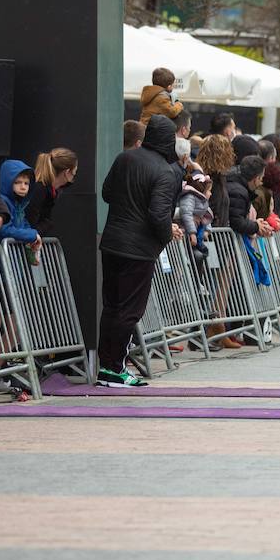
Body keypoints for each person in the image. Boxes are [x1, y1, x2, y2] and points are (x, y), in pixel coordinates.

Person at [97, 114, 182, 386]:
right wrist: (166, 236)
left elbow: (107, 193)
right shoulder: (165, 172)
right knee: (129, 310)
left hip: (112, 241)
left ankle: (106, 365)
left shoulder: (125, 158)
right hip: (139, 248)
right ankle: (115, 368)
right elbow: (159, 214)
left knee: (111, 306)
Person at [29, 147, 78, 236]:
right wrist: (34, 235)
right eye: (74, 172)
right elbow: (30, 222)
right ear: (67, 172)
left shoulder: (50, 190)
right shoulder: (40, 190)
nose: (74, 176)